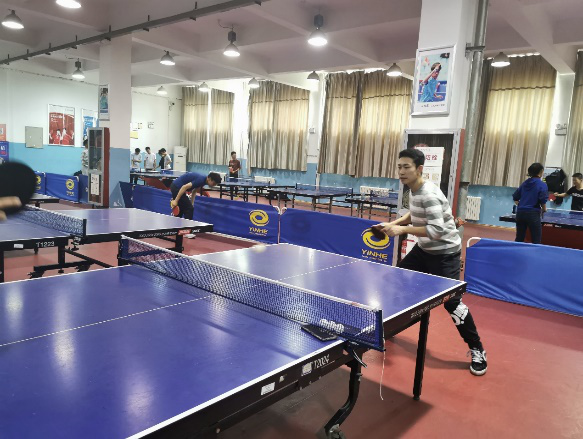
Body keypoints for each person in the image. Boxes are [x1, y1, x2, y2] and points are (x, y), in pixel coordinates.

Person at [374, 148, 487, 376]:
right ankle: (392, 326)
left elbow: (436, 231)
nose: (401, 171)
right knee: (395, 280)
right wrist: (394, 223)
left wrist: (402, 230)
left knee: (452, 304)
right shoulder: (413, 190)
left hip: (445, 254)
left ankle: (477, 349)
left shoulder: (429, 194)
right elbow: (414, 213)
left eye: (406, 167)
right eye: (399, 167)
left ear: (419, 169)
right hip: (424, 250)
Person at [170, 172, 222, 237]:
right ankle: (186, 232)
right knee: (189, 208)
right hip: (177, 187)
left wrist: (192, 203)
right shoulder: (200, 179)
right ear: (209, 178)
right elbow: (184, 187)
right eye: (214, 183)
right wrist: (176, 201)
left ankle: (175, 228)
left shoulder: (204, 181)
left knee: (183, 209)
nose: (214, 185)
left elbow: (194, 191)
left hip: (176, 187)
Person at [512, 163, 548, 244]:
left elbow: (515, 197)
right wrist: (544, 209)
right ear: (541, 171)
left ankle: (516, 250)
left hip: (520, 213)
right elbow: (543, 200)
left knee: (519, 237)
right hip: (533, 214)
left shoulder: (524, 183)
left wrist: (521, 205)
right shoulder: (542, 184)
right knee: (536, 239)